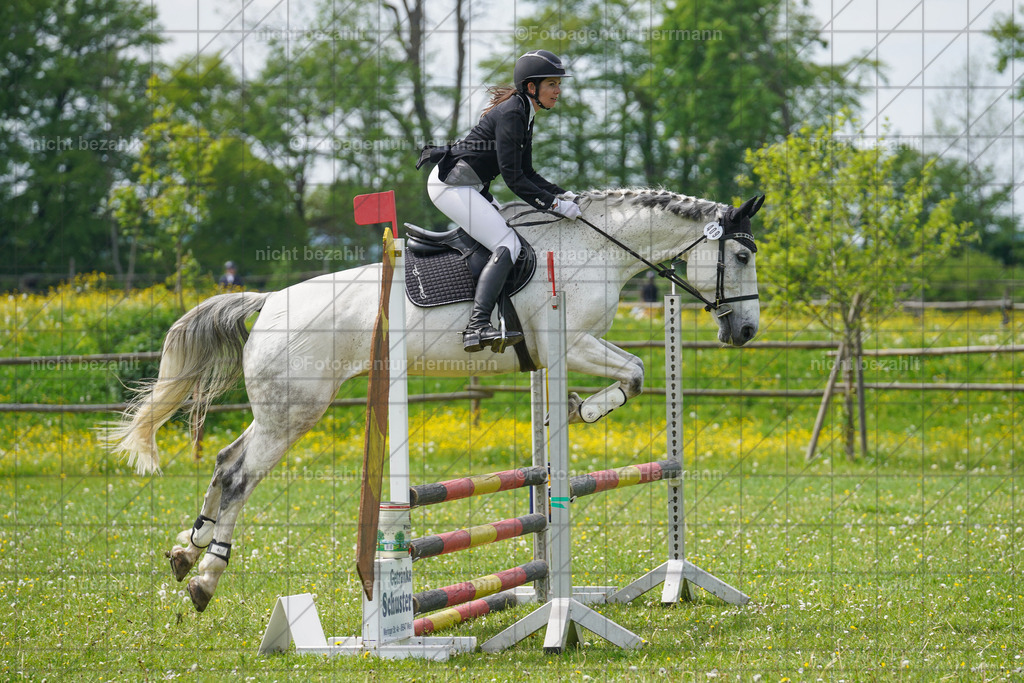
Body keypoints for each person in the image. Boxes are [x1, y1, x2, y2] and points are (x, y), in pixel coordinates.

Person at [421, 49, 582, 353]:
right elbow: (514, 179)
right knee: (507, 244)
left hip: (472, 187)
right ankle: (477, 325)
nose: (558, 91)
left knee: (512, 237)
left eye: (558, 85)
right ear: (531, 87)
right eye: (552, 84)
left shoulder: (524, 111)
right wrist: (555, 206)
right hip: (451, 187)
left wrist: (561, 194)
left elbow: (528, 171)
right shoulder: (512, 113)